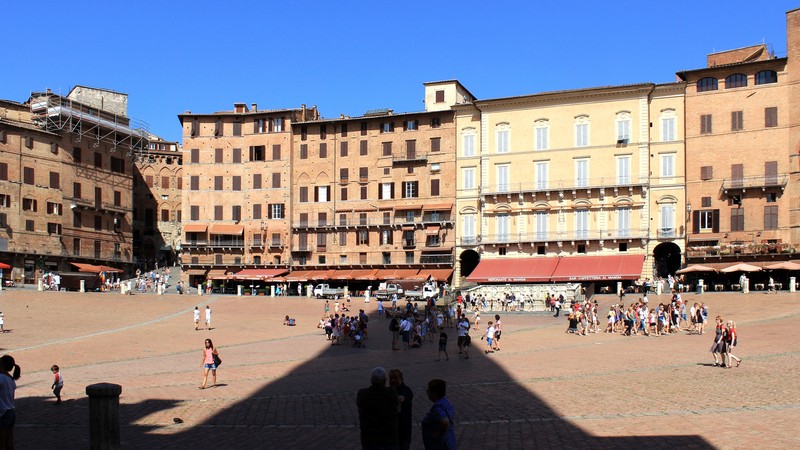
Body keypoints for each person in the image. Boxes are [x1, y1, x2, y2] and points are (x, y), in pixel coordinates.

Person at [356, 367, 399, 450]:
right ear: (385, 380)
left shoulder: (363, 394)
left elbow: (359, 407)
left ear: (371, 380)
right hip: (389, 439)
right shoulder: (391, 393)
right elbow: (398, 409)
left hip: (369, 440)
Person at [421, 378, 456, 450]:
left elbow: (445, 422)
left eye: (429, 391)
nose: (428, 393)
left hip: (441, 445)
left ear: (435, 393)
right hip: (450, 441)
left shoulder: (437, 407)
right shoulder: (446, 402)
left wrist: (438, 434)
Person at [0, 355, 21, 450]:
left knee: (1, 444)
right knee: (9, 443)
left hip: (2, 413)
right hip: (11, 412)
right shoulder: (11, 380)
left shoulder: (1, 378)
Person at [389, 369, 413, 450]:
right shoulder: (389, 390)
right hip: (391, 431)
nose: (393, 380)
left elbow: (402, 398)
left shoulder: (406, 390)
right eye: (391, 378)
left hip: (403, 431)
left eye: (395, 378)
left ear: (401, 379)